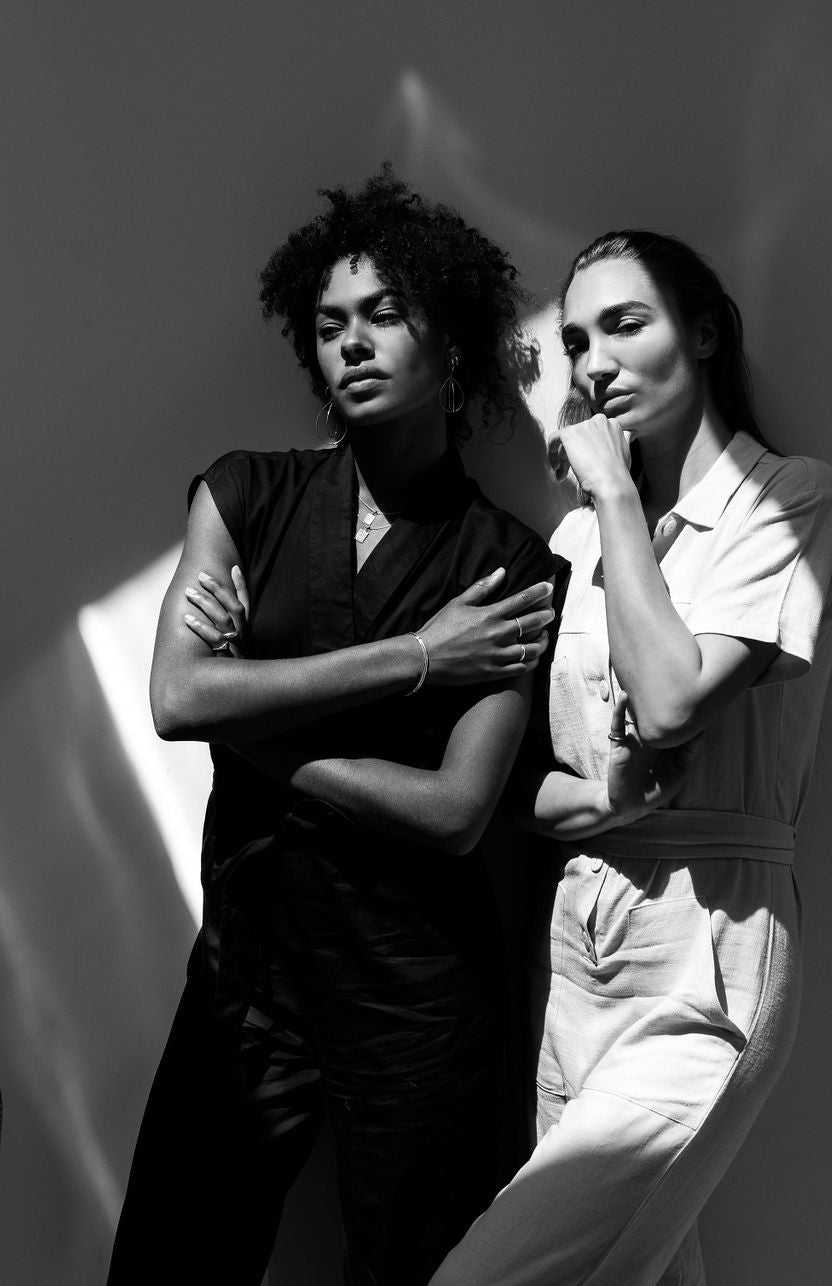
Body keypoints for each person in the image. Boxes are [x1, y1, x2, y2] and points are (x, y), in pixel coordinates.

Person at [106, 167, 560, 1286]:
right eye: (328, 324)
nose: (351, 342)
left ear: (452, 350)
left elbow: (455, 813)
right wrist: (420, 658)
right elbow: (175, 700)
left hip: (418, 1003)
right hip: (246, 982)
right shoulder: (243, 496)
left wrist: (252, 715)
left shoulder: (506, 568)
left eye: (384, 314)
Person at [430, 230, 832, 1286]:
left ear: (703, 333)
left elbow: (668, 703)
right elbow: (516, 778)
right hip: (576, 945)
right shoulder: (573, 545)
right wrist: (596, 799)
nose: (594, 363)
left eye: (625, 324)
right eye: (577, 341)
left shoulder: (791, 500)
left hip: (710, 945)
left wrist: (613, 494)